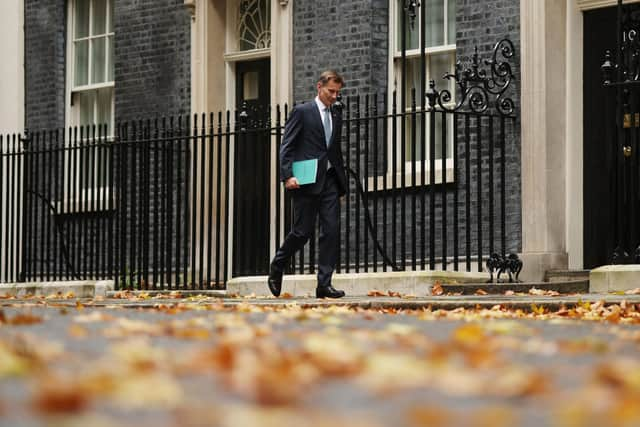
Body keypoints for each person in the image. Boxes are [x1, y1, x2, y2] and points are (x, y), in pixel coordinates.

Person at [268, 70, 348, 298]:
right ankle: (278, 264)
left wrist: (341, 186)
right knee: (302, 232)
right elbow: (287, 145)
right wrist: (287, 176)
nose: (334, 96)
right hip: (306, 181)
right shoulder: (302, 112)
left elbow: (335, 152)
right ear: (319, 87)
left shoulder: (336, 114)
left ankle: (324, 283)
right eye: (331, 91)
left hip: (330, 181)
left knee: (331, 231)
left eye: (337, 92)